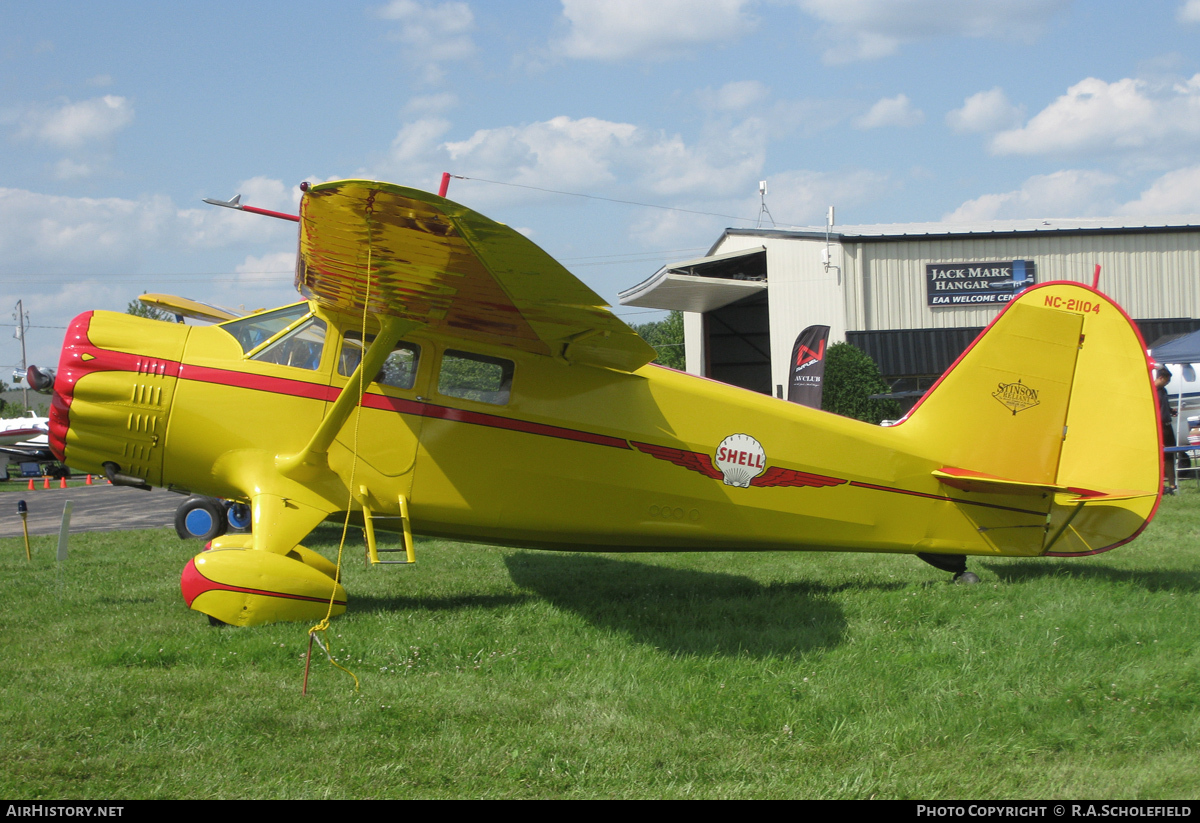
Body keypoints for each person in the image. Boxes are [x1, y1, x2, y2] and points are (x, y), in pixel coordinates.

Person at [1156, 367, 1177, 493]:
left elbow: (1164, 407)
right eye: (1166, 381)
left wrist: (1170, 411)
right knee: (1160, 457)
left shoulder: (1164, 390)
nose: (1167, 383)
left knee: (1170, 456)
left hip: (1168, 426)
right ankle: (1159, 485)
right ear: (1161, 378)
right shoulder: (1151, 391)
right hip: (1160, 428)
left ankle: (1172, 485)